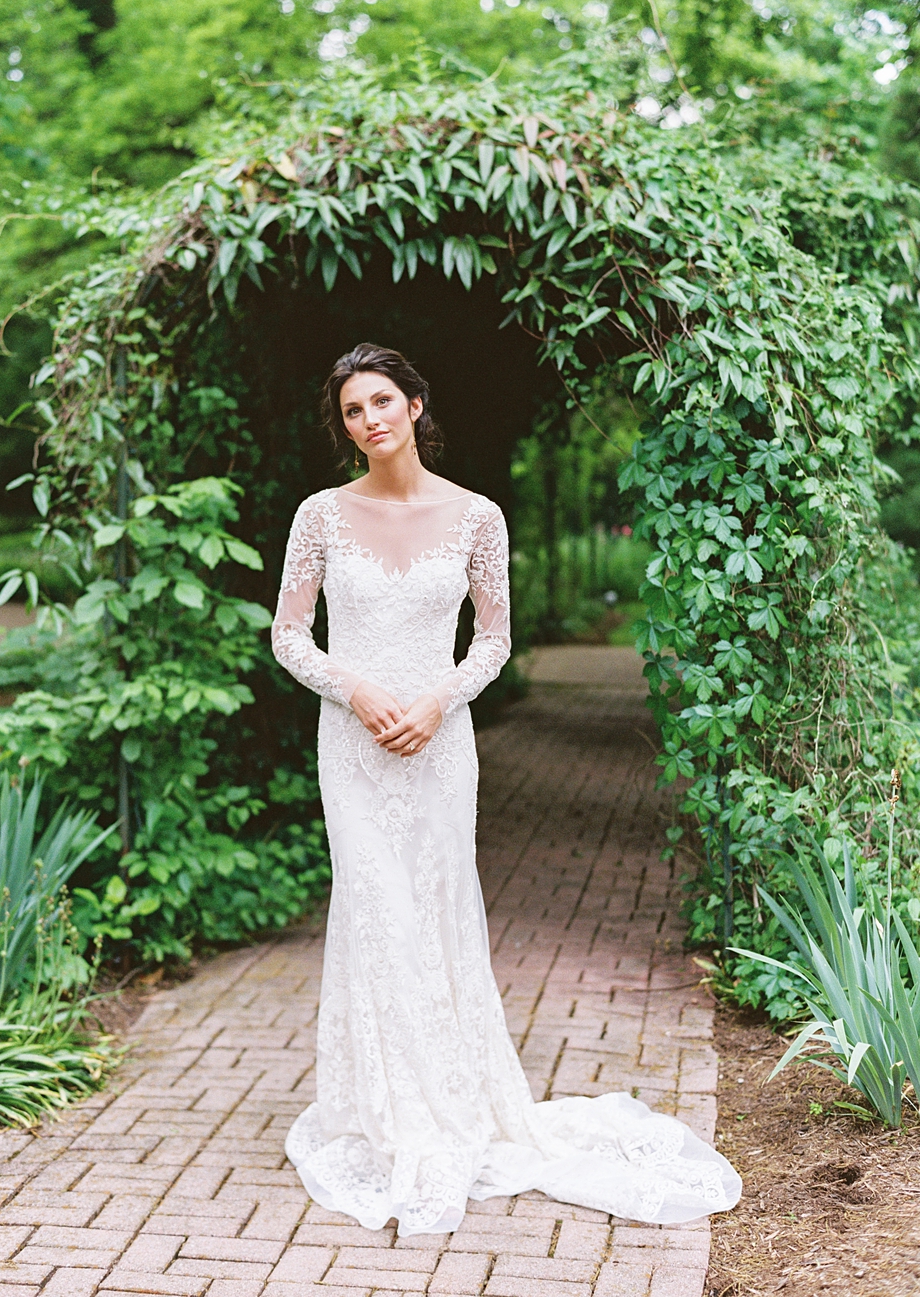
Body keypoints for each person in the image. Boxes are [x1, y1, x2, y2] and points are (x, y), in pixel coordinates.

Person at [271, 342, 742, 1236]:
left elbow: (492, 641)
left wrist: (439, 698)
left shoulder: (479, 517)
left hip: (441, 747)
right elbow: (290, 635)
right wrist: (358, 687)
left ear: (415, 404)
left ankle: (448, 1106)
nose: (368, 421)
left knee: (439, 914)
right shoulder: (320, 516)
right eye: (351, 412)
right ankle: (383, 1112)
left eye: (381, 402)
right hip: (355, 745)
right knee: (377, 913)